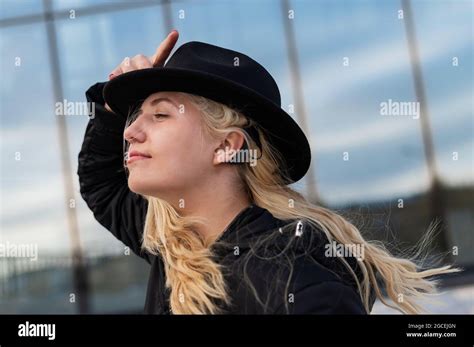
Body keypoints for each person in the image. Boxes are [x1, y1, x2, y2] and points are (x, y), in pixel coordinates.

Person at [77, 30, 457, 314]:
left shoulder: (295, 282)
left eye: (159, 114)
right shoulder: (179, 248)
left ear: (227, 146)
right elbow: (101, 185)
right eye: (133, 117)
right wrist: (111, 105)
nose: (129, 132)